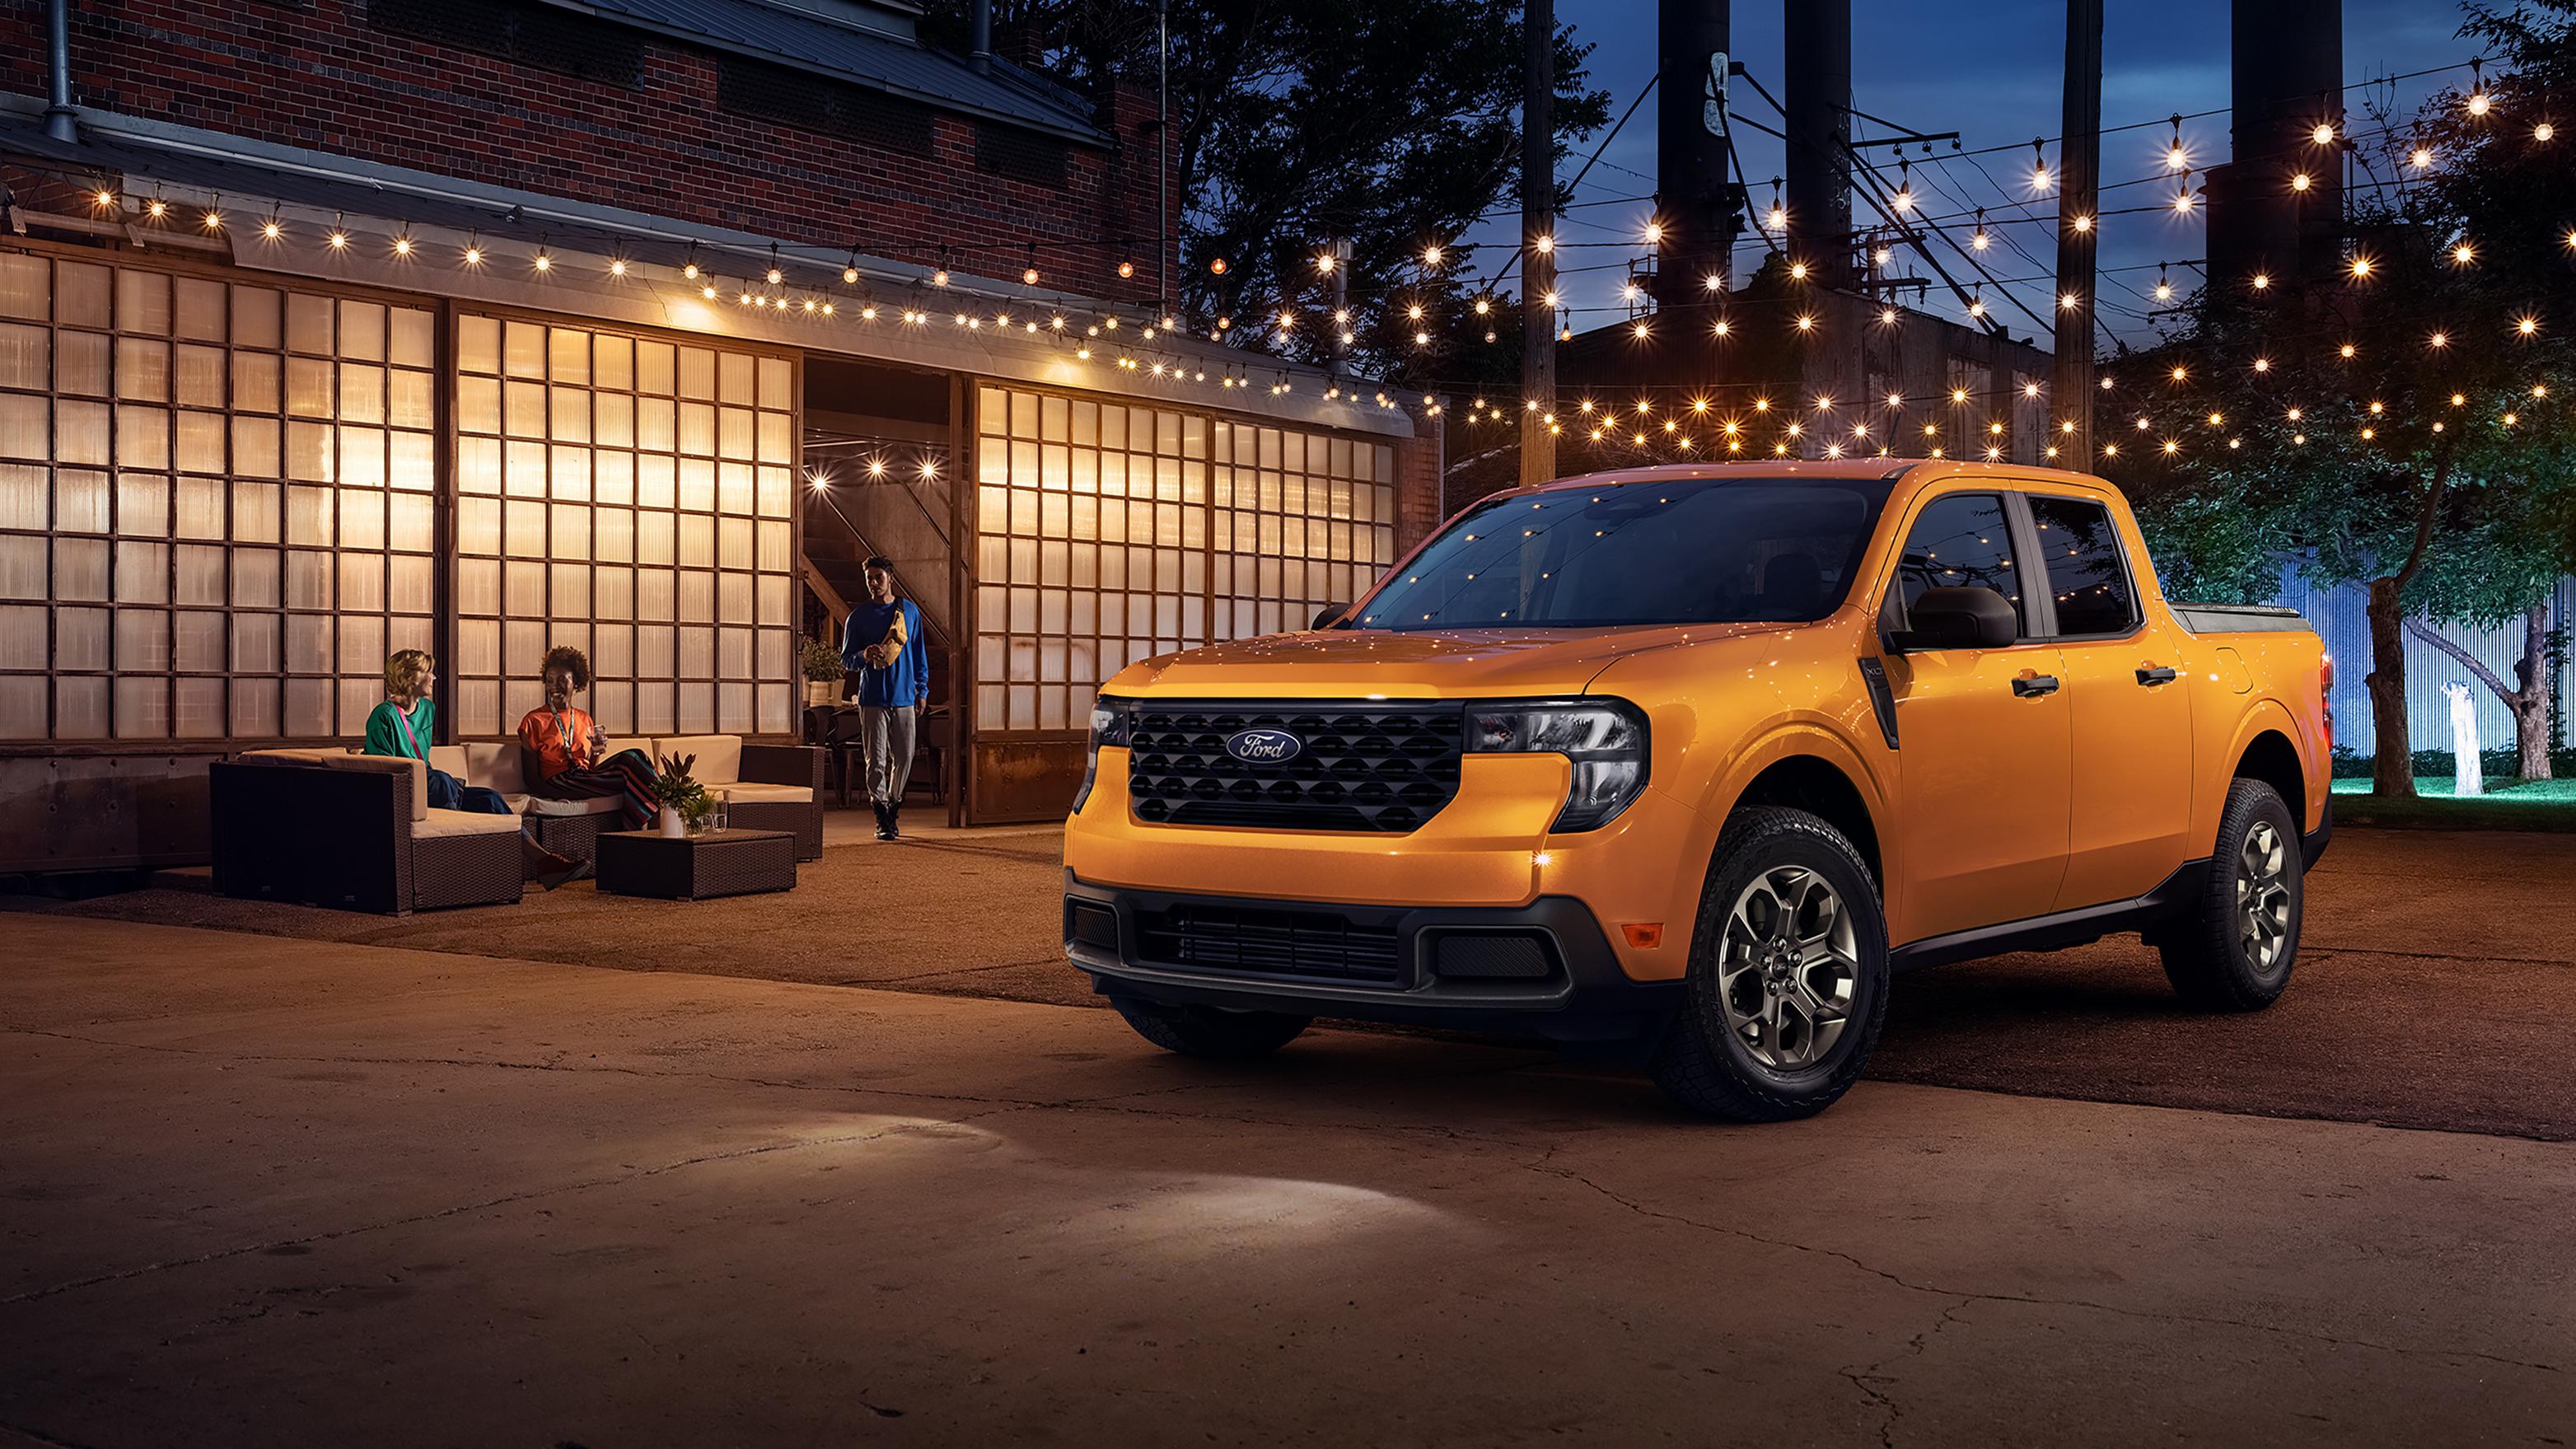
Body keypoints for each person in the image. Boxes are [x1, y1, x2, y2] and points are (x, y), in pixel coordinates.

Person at [365, 648, 587, 890]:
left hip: (430, 786)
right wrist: (432, 781)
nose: (434, 678)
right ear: (411, 677)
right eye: (429, 672)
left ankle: (546, 862)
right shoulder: (383, 716)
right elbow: (383, 768)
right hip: (404, 790)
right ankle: (448, 866)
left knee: (489, 798)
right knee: (440, 780)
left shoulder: (428, 709)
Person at [517, 646, 662, 832]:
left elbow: (591, 769)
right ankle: (648, 828)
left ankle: (646, 833)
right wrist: (561, 793)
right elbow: (531, 779)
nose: (554, 686)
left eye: (562, 680)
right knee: (631, 760)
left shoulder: (584, 718)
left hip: (583, 776)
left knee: (637, 761)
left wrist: (596, 752)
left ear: (576, 682)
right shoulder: (533, 721)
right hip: (559, 780)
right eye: (550, 680)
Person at [840, 556, 929, 840]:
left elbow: (918, 654)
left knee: (904, 756)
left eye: (879, 577)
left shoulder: (910, 612)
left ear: (890, 578)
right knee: (875, 760)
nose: (874, 583)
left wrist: (922, 690)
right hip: (872, 699)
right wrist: (863, 655)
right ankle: (881, 814)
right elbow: (846, 660)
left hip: (904, 697)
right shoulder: (858, 617)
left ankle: (893, 803)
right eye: (869, 579)